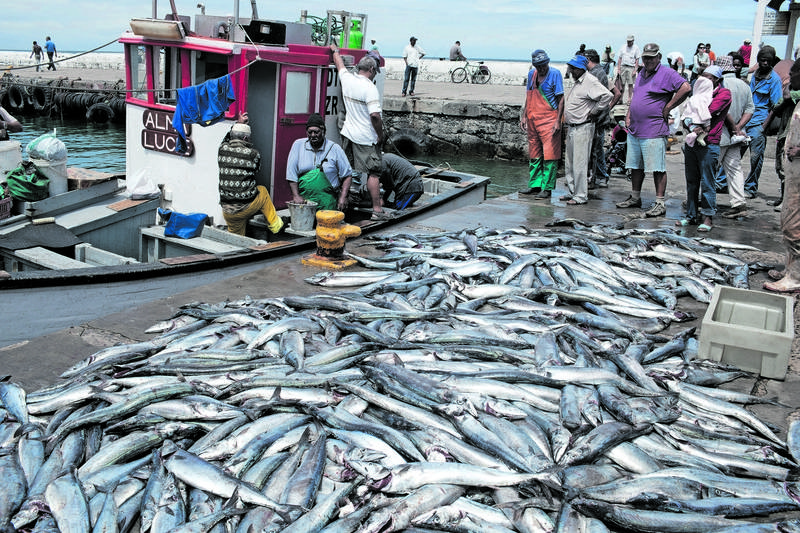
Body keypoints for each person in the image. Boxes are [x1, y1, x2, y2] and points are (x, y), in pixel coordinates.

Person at [616, 43, 691, 217]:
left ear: (659, 57)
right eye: (645, 57)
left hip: (654, 128)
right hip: (635, 127)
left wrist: (669, 106)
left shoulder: (667, 73)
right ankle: (635, 197)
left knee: (657, 167)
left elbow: (686, 88)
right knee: (635, 165)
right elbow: (636, 96)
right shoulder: (641, 72)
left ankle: (659, 202)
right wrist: (628, 114)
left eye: (651, 57)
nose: (648, 60)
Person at [330, 44, 389, 219]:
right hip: (366, 138)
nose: (375, 74)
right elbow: (375, 116)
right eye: (376, 71)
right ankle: (377, 210)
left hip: (348, 133)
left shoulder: (347, 79)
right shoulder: (370, 88)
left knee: (348, 169)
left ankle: (344, 200)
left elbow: (339, 63)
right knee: (373, 172)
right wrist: (380, 135)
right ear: (371, 69)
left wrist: (335, 51)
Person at [678, 66, 730, 232]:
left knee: (707, 181)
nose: (703, 80)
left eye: (708, 77)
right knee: (691, 181)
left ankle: (707, 217)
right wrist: (690, 124)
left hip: (710, 143)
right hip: (692, 142)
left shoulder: (723, 94)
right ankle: (691, 215)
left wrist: (691, 119)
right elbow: (686, 115)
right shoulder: (698, 94)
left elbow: (709, 111)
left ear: (716, 79)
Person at [765, 58, 800, 292]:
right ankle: (791, 268)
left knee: (795, 225)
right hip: (793, 174)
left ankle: (796, 277)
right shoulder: (798, 99)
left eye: (794, 75)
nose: (789, 79)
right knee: (788, 221)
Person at [217, 115, 284, 236]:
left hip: (227, 211)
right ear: (245, 138)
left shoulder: (222, 149)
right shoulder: (253, 154)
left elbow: (226, 139)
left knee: (237, 238)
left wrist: (237, 123)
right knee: (262, 191)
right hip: (246, 207)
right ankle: (276, 225)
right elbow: (257, 169)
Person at [560, 55, 612, 205]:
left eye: (574, 68)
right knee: (569, 163)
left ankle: (580, 195)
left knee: (580, 163)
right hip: (572, 127)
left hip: (583, 126)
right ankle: (573, 191)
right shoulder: (578, 82)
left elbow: (607, 95)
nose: (571, 70)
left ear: (581, 69)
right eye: (571, 67)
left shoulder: (590, 80)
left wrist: (595, 111)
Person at [519, 49, 564, 199]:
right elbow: (528, 96)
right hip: (533, 119)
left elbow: (561, 99)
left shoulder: (555, 74)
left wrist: (558, 120)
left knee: (550, 155)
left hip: (549, 120)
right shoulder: (531, 74)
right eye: (539, 66)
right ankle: (535, 184)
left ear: (547, 63)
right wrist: (524, 116)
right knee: (534, 154)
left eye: (544, 65)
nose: (542, 68)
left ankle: (547, 188)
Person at [286, 113, 353, 211]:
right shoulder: (298, 145)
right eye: (310, 132)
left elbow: (347, 175)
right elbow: (291, 174)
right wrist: (296, 196)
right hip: (305, 202)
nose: (313, 135)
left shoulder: (335, 149)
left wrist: (343, 197)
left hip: (328, 201)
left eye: (316, 132)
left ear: (323, 131)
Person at [715, 55, 755, 219]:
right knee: (734, 169)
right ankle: (739, 203)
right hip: (738, 136)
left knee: (709, 168)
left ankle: (703, 201)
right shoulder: (744, 85)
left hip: (721, 134)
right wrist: (739, 127)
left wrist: (733, 128)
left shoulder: (720, 83)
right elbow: (750, 109)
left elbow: (723, 109)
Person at [743, 46, 782, 198]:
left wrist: (764, 127)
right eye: (762, 60)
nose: (765, 63)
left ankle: (750, 188)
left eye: (768, 61)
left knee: (756, 157)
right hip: (746, 119)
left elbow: (776, 106)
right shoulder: (755, 74)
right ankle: (722, 183)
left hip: (759, 122)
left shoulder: (774, 79)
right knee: (733, 152)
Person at [585, 49, 621, 189]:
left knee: (596, 149)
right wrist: (607, 108)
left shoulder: (596, 74)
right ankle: (599, 175)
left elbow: (606, 95)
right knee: (596, 148)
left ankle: (599, 176)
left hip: (597, 119)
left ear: (588, 60)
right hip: (600, 117)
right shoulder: (601, 73)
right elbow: (616, 94)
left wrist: (602, 110)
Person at [681, 75, 713, 147]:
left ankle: (692, 136)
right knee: (704, 130)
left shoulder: (693, 97)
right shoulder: (703, 99)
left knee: (693, 128)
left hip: (687, 118)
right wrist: (707, 123)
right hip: (696, 119)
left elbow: (685, 105)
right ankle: (699, 137)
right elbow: (704, 111)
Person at [617, 34, 640, 105]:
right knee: (622, 84)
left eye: (630, 41)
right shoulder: (623, 47)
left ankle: (629, 99)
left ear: (633, 41)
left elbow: (637, 59)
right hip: (623, 66)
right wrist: (618, 69)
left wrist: (635, 70)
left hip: (631, 67)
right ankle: (621, 99)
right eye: (628, 41)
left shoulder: (636, 48)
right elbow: (620, 58)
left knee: (630, 84)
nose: (629, 42)